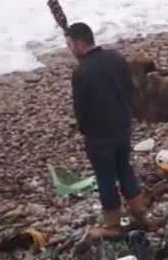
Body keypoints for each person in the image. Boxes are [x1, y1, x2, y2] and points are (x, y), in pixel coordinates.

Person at [65, 22, 160, 237]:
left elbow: (81, 110)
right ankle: (141, 214)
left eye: (70, 44)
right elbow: (129, 89)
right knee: (125, 168)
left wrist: (85, 130)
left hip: (99, 135)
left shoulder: (81, 72)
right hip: (122, 126)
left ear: (80, 43)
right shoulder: (116, 58)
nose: (70, 49)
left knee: (105, 177)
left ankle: (112, 224)